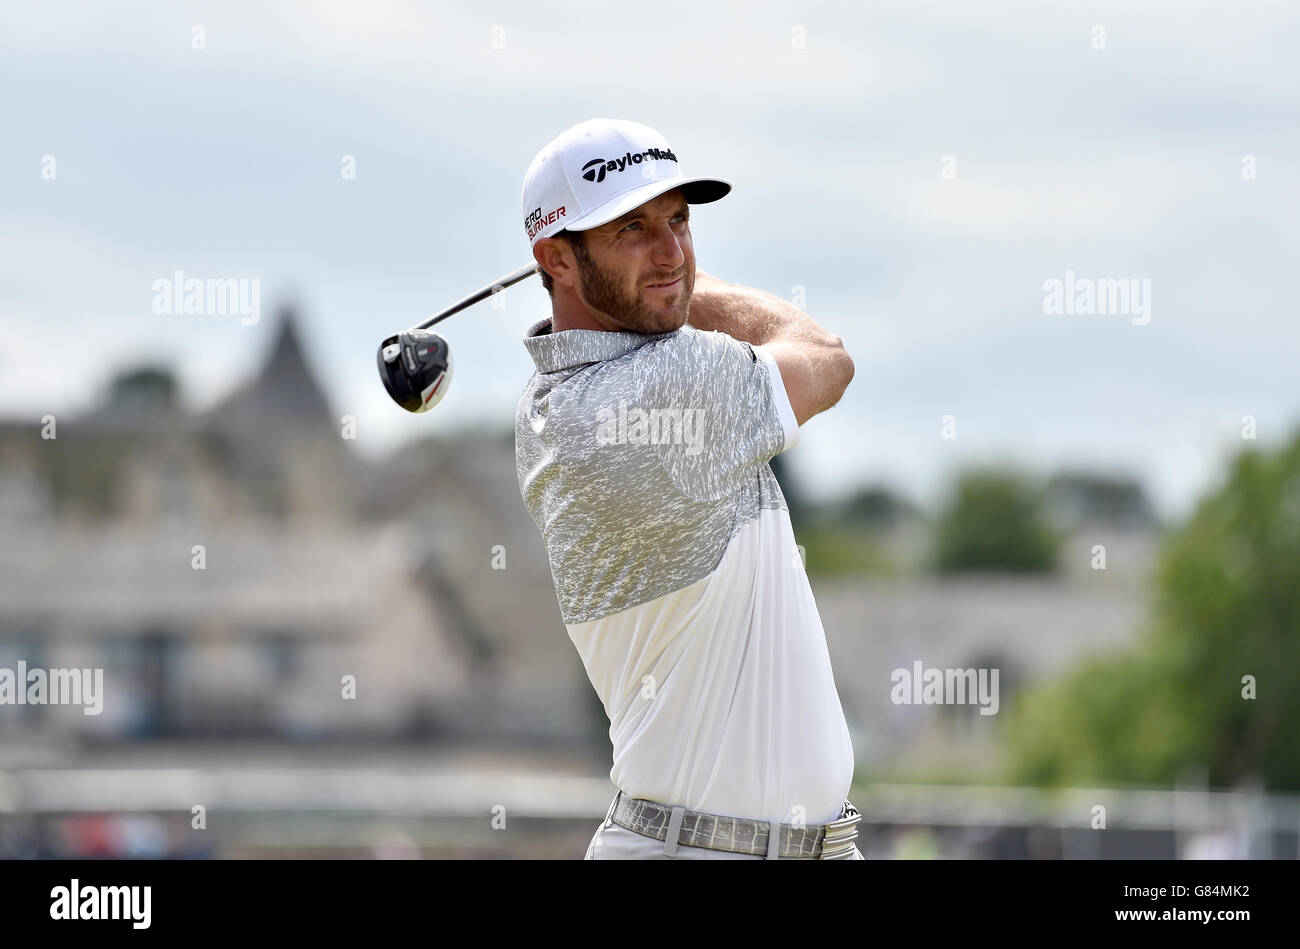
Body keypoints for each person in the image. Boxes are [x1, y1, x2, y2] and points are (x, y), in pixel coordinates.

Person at [515, 118, 861, 859]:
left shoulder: (554, 403)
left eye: (678, 220)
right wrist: (680, 288)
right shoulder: (656, 390)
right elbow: (826, 358)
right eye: (632, 229)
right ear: (556, 258)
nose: (672, 251)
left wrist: (646, 279)